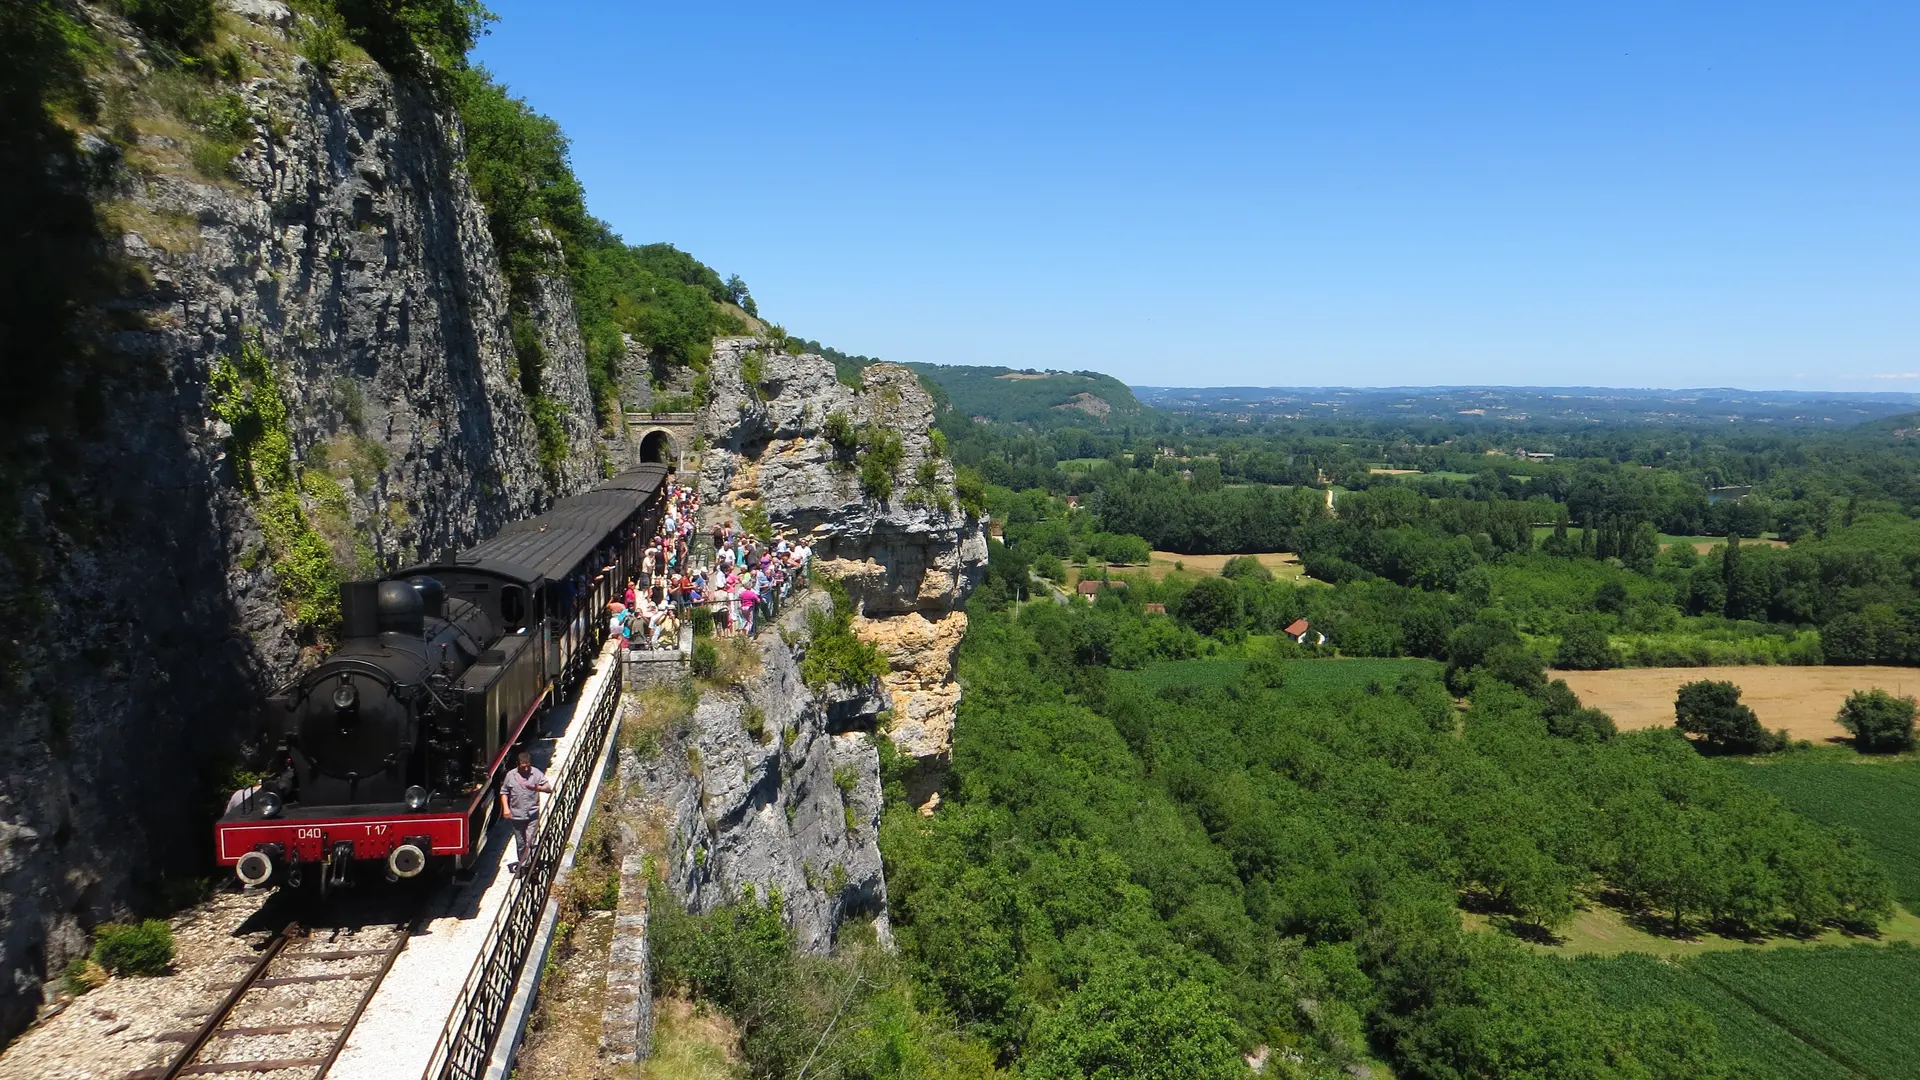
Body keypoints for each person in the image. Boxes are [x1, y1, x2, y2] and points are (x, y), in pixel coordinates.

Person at [500, 750, 551, 876]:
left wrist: (537, 788)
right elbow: (504, 792)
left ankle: (530, 866)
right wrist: (506, 809)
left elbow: (549, 788)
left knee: (530, 840)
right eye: (524, 766)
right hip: (516, 816)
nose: (526, 768)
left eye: (528, 765)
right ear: (518, 765)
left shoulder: (536, 773)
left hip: (532, 814)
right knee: (521, 842)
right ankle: (523, 864)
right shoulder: (510, 776)